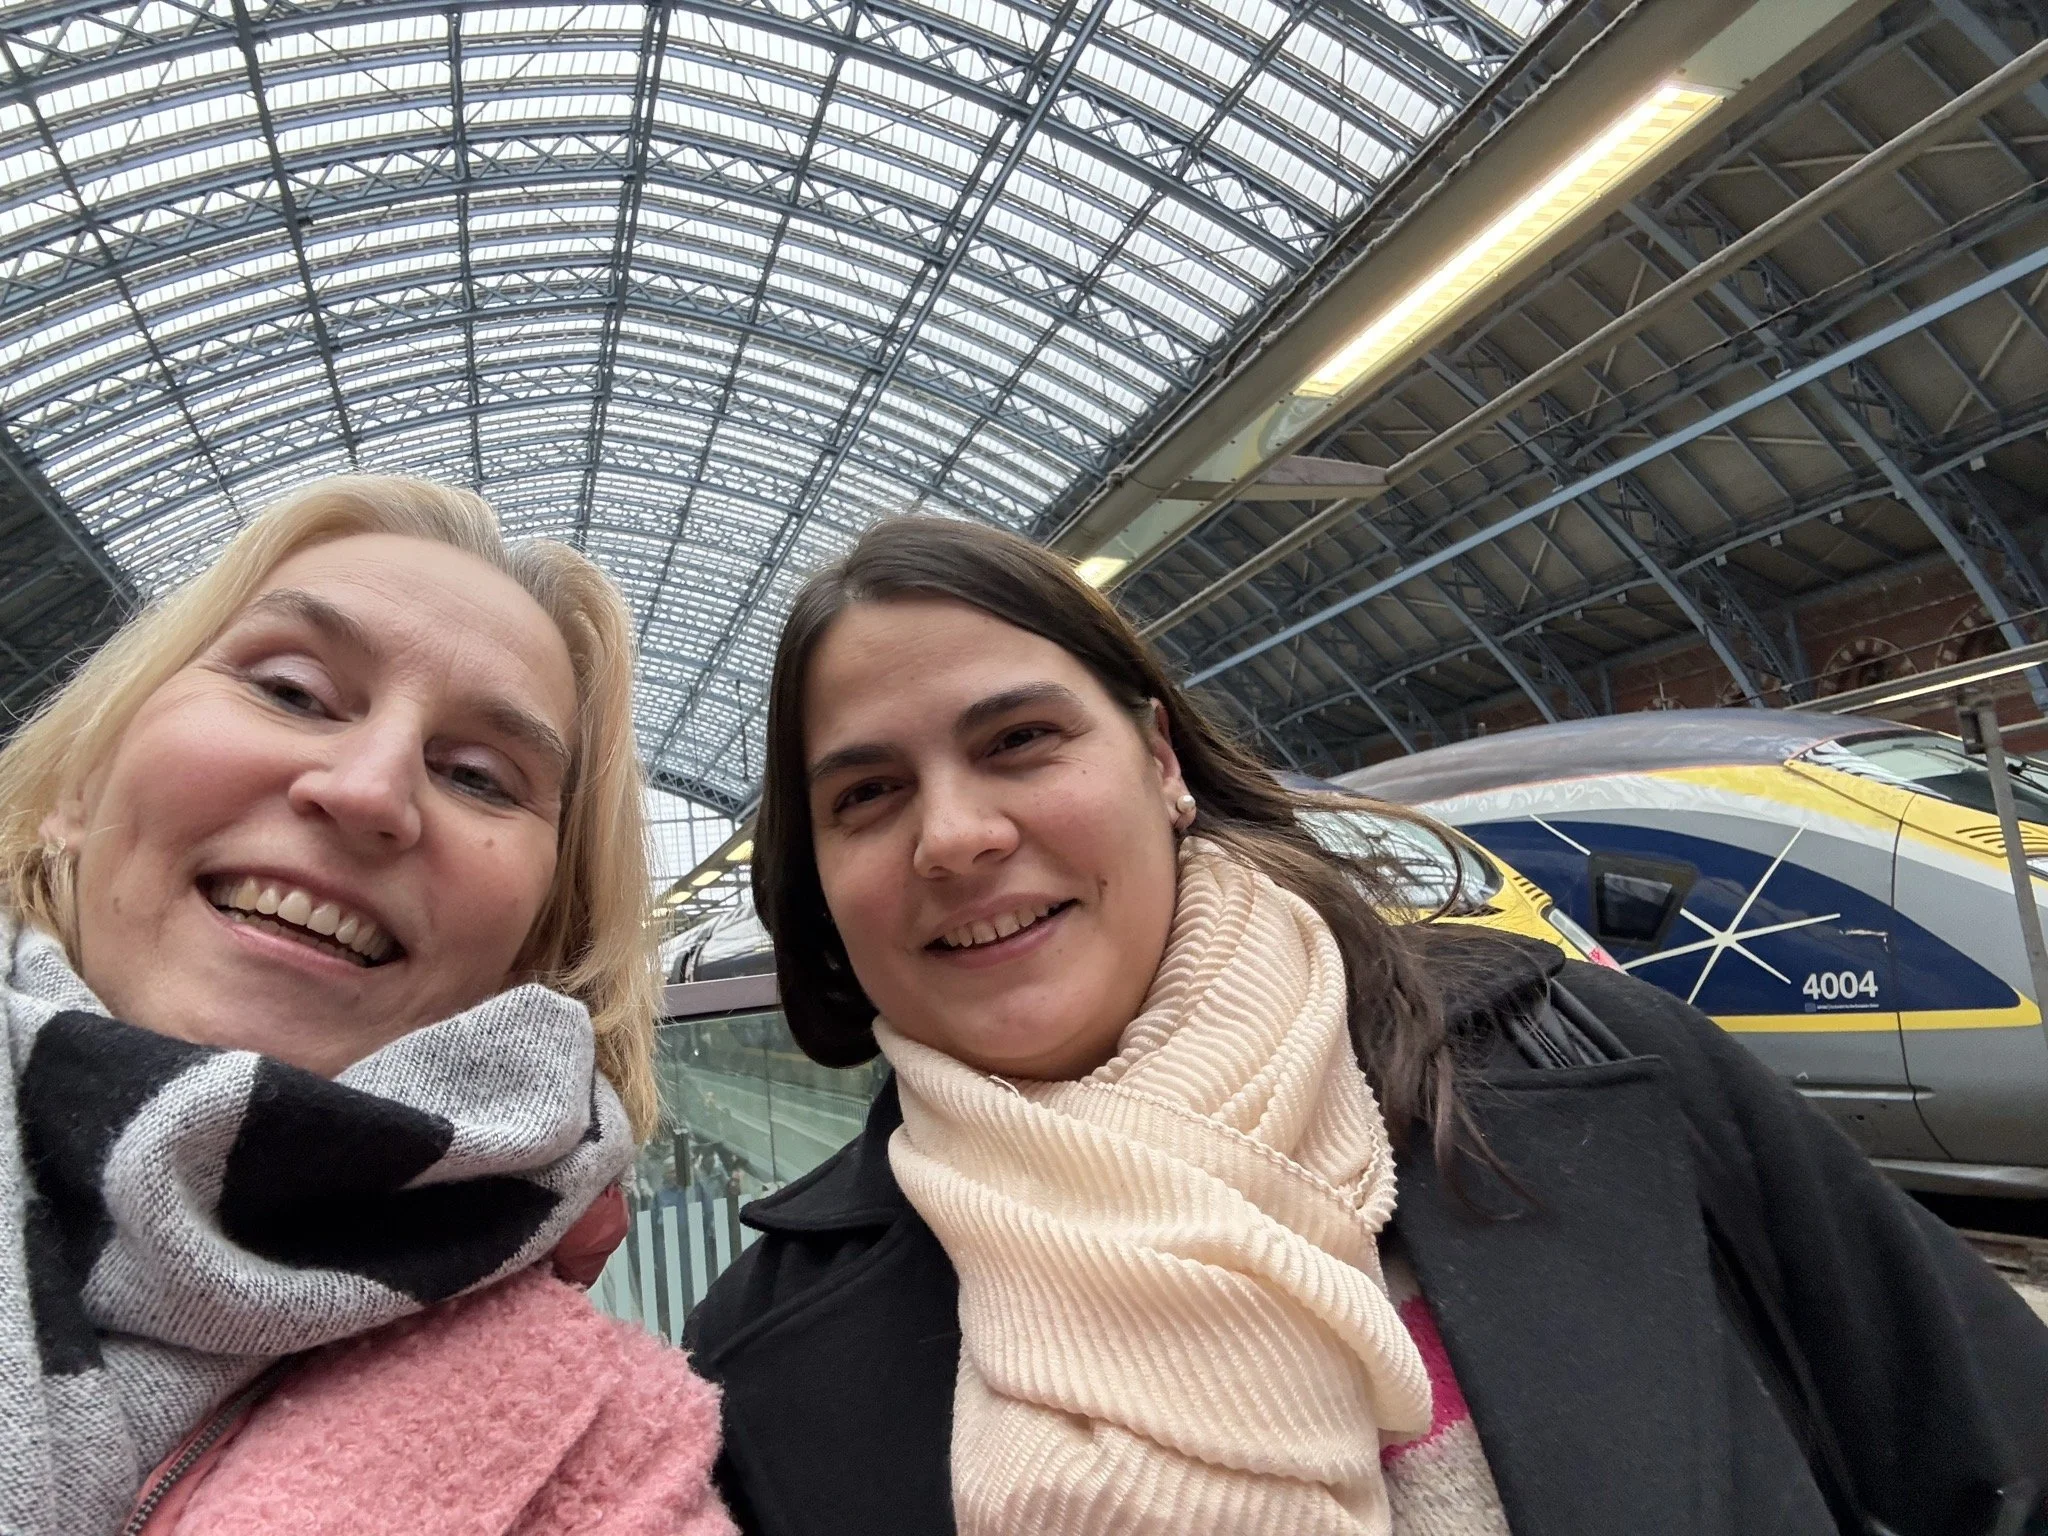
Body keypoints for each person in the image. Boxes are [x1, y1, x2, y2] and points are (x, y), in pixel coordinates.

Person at [687, 515, 2048, 1536]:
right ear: (816, 875)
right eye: (865, 795)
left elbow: (2005, 1461)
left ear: (1161, 763)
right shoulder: (762, 1368)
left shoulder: (1596, 1068)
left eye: (1021, 742)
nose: (959, 836)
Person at [0, 477, 733, 1536]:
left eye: (480, 777)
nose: (369, 792)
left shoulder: (604, 1465)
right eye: (292, 692)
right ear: (80, 789)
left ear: (530, 955)